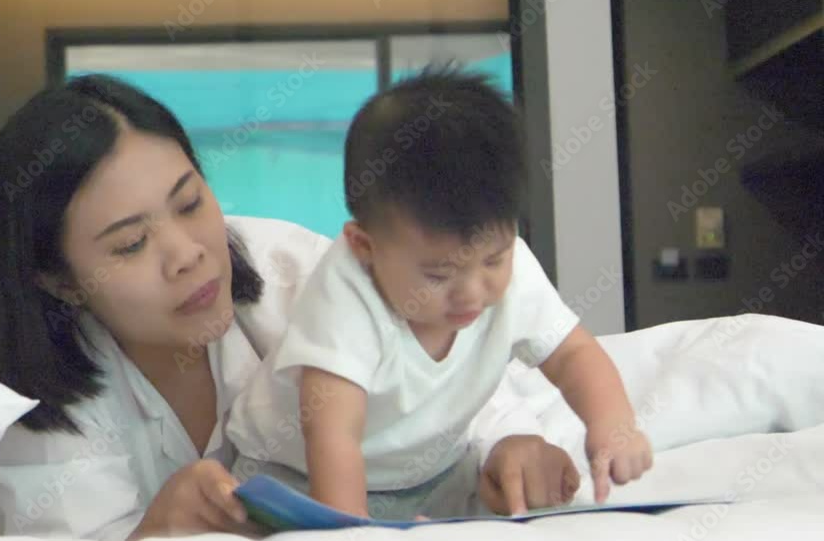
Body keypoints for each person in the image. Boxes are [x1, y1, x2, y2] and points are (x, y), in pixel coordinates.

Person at [0, 73, 582, 540]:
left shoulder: (294, 270)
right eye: (132, 243)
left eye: (189, 202)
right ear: (60, 281)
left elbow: (445, 354)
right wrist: (154, 529)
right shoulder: (34, 409)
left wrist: (510, 443)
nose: (188, 254)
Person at [226, 67, 653, 520]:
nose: (472, 293)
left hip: (433, 474)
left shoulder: (516, 267)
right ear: (365, 247)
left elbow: (573, 354)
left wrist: (613, 424)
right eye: (438, 274)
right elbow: (332, 434)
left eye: (493, 260)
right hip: (300, 476)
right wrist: (354, 531)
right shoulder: (344, 293)